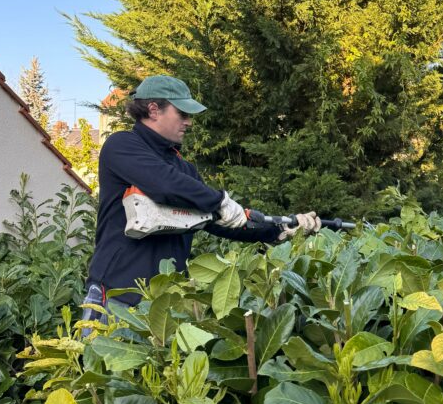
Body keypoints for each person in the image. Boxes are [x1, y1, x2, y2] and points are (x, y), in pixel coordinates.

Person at [82, 75, 320, 321]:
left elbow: (216, 220)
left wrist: (277, 230)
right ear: (153, 109)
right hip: (116, 296)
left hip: (168, 302)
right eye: (182, 114)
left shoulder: (184, 169)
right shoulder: (122, 146)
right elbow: (164, 184)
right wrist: (219, 201)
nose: (189, 122)